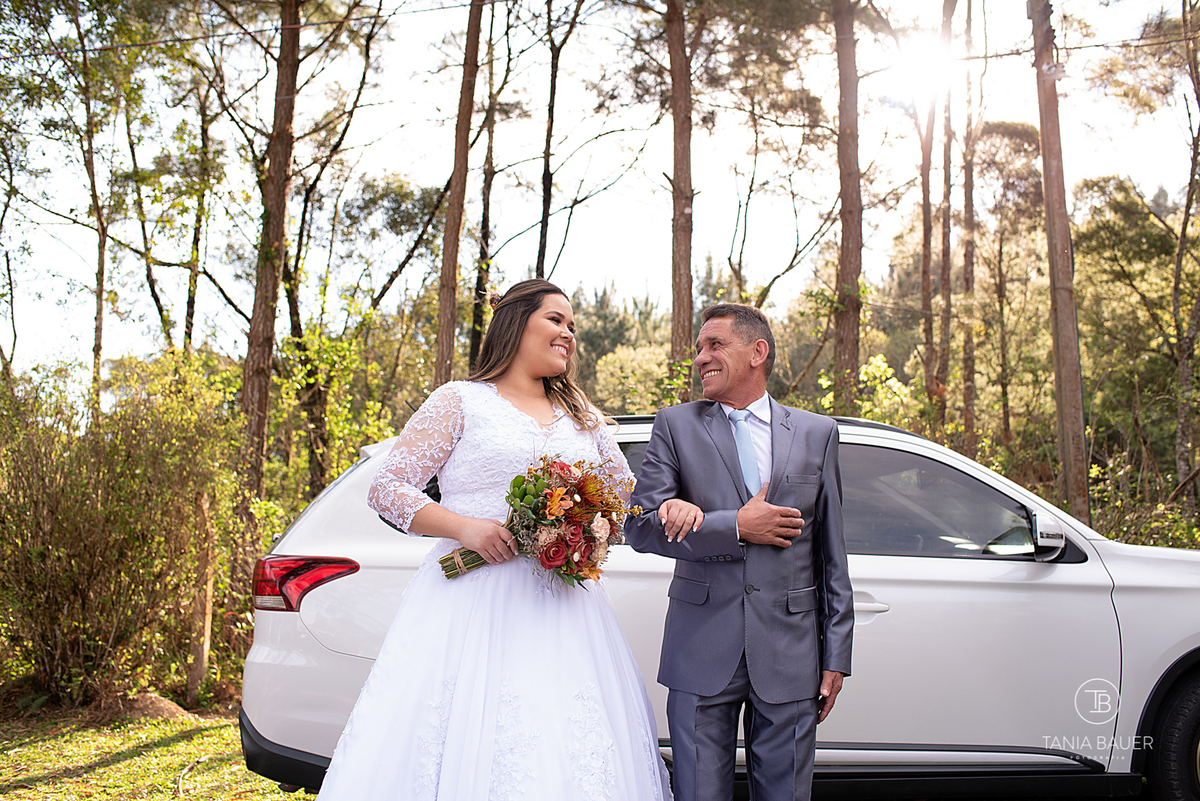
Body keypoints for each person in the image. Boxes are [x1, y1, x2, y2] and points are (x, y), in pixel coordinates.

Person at [317, 279, 672, 800]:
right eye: (556, 319)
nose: (568, 333)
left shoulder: (585, 419)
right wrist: (466, 527)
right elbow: (387, 489)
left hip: (567, 611)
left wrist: (585, 527)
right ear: (515, 323)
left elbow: (622, 501)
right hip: (470, 605)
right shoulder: (460, 401)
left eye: (572, 326)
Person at [624, 302, 853, 801]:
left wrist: (835, 655)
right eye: (699, 348)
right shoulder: (675, 425)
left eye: (714, 345)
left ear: (757, 352)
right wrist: (733, 526)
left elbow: (831, 554)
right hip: (700, 648)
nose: (700, 357)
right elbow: (638, 527)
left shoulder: (818, 432)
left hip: (792, 652)